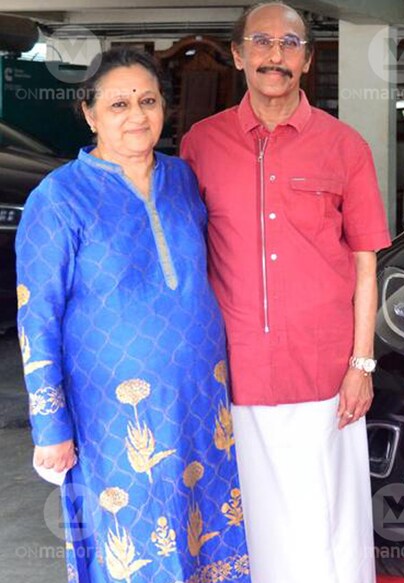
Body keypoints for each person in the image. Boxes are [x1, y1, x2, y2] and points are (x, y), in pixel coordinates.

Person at [18, 47, 250, 583]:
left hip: (199, 402)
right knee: (135, 543)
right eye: (118, 103)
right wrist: (50, 426)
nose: (136, 114)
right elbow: (37, 318)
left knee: (209, 534)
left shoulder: (182, 181)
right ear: (90, 114)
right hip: (116, 418)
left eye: (147, 100)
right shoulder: (58, 200)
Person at [180, 3, 391, 582]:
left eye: (290, 43)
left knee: (329, 522)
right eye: (263, 42)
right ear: (240, 54)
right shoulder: (201, 145)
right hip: (235, 370)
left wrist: (361, 364)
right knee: (246, 516)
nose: (276, 55)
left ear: (308, 59)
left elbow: (367, 263)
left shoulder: (345, 146)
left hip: (325, 373)